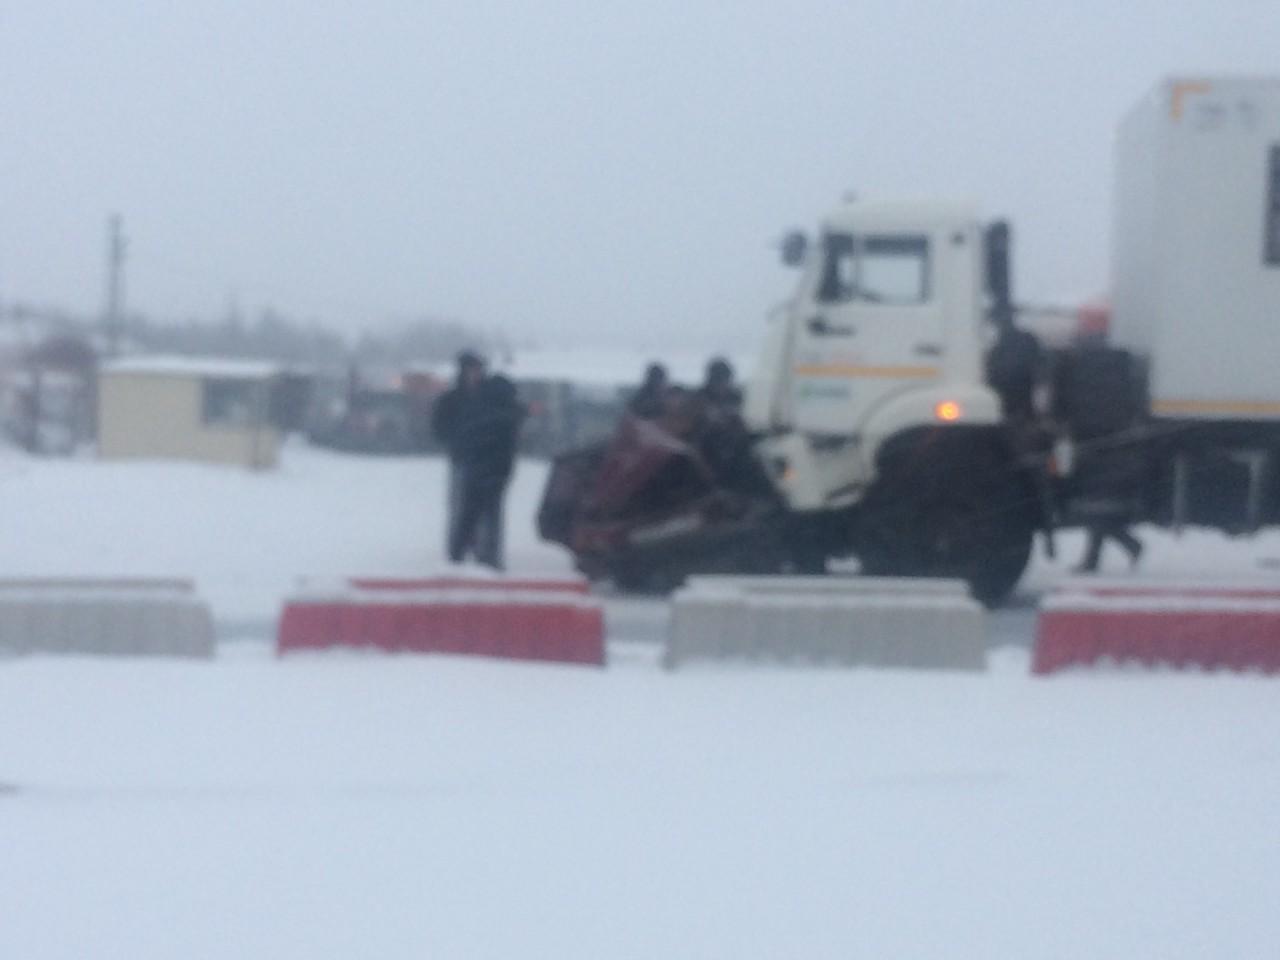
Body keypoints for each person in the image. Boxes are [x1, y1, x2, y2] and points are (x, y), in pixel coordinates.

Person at [431, 352, 526, 570]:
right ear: (462, 371)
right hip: (464, 460)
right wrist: (458, 440)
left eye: (478, 369)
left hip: (484, 462)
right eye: (470, 369)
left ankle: (481, 553)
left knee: (482, 511)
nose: (474, 374)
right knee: (462, 508)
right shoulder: (453, 399)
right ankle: (460, 553)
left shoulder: (490, 397)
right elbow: (440, 428)